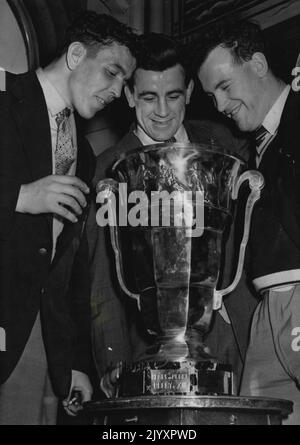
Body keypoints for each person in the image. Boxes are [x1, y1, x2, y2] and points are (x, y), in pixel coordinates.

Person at [87, 33, 257, 397]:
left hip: (243, 336)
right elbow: (103, 276)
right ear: (130, 95)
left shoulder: (225, 142)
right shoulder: (108, 169)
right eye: (149, 97)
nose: (162, 111)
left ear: (191, 91)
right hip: (156, 357)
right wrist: (114, 360)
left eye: (174, 95)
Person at [0, 11, 137, 425]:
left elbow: (64, 268)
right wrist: (20, 197)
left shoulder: (86, 155)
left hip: (36, 346)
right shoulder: (4, 96)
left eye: (124, 82)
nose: (117, 91)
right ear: (76, 54)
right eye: (112, 72)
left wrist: (71, 360)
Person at [194, 19, 300, 424]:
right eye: (210, 95)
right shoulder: (263, 140)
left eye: (224, 87)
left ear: (257, 64)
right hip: (267, 308)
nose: (219, 106)